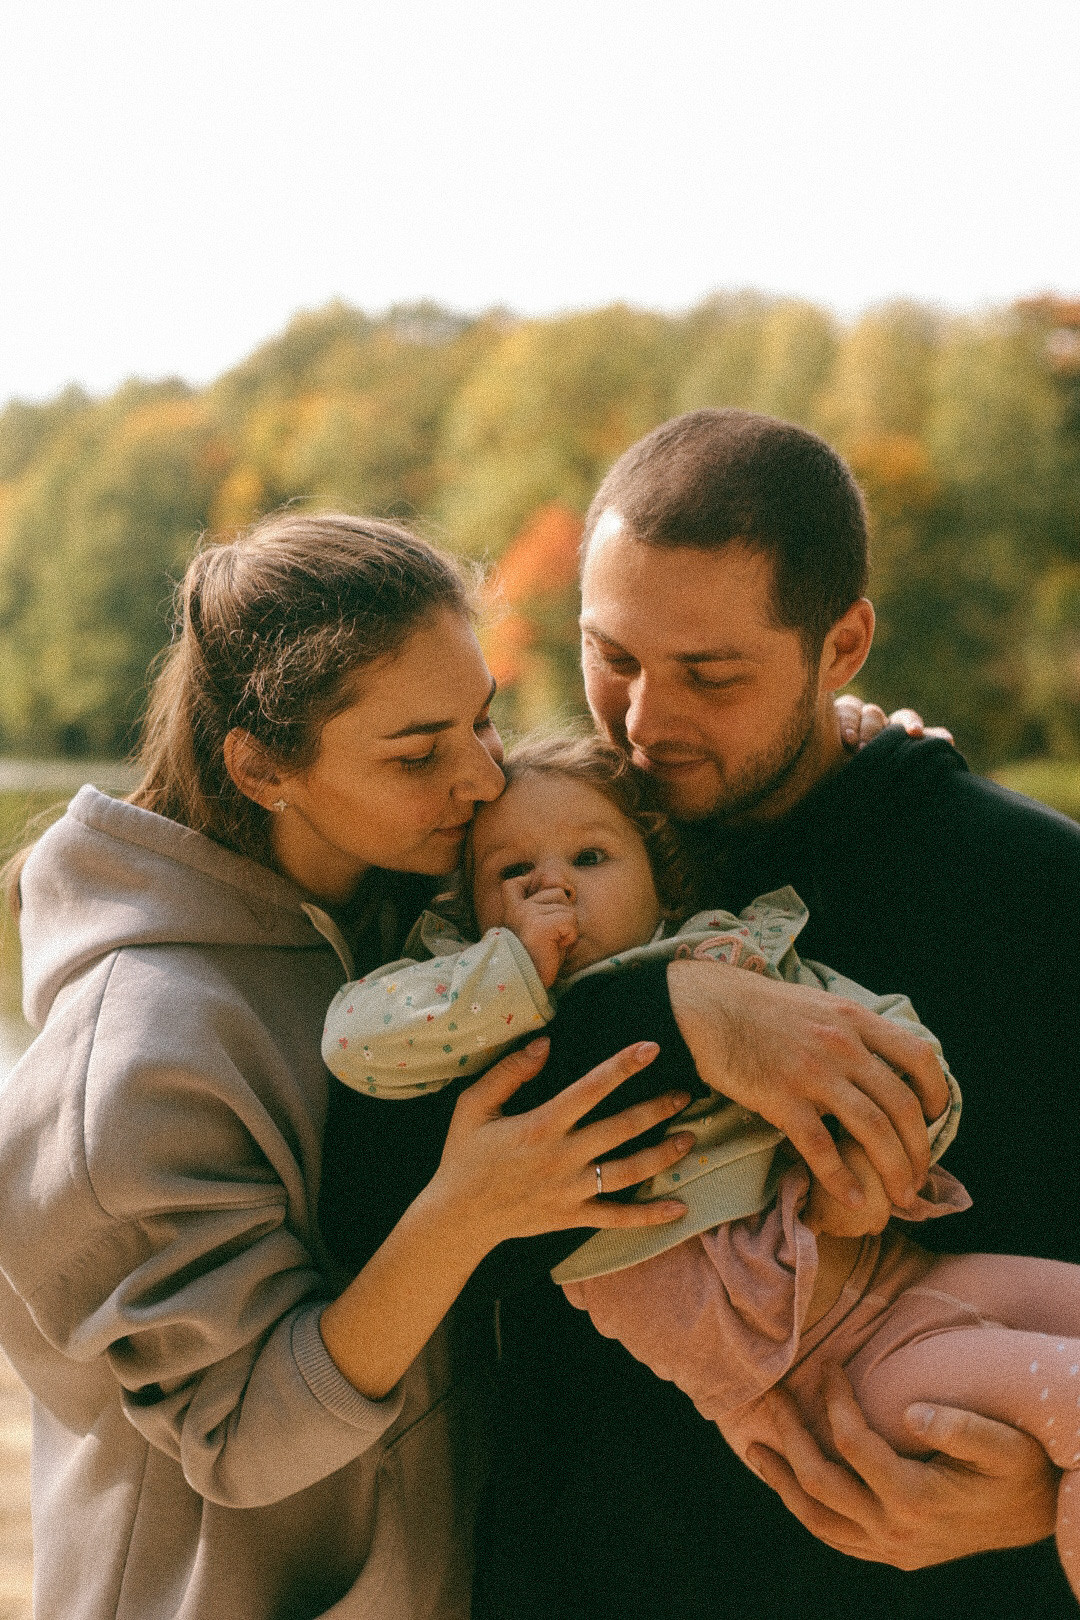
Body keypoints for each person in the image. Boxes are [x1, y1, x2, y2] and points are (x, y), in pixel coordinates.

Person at [0, 510, 941, 1620]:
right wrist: (465, 1210)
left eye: (482, 721)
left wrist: (855, 755)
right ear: (262, 768)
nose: (481, 778)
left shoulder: (399, 889)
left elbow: (606, 838)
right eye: (418, 753)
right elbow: (242, 1436)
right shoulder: (134, 1063)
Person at [473, 409, 1080, 1619]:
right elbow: (380, 1187)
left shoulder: (1033, 893)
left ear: (843, 643)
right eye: (613, 656)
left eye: (711, 673)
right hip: (592, 1576)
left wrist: (1029, 1498)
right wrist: (671, 1004)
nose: (644, 721)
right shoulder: (527, 857)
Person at [325, 734, 1080, 1602]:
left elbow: (884, 1039)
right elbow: (353, 1044)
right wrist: (507, 970)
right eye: (512, 871)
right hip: (830, 1380)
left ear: (663, 879)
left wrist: (903, 1130)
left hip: (919, 1277)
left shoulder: (736, 957)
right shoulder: (499, 1040)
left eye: (592, 855)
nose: (552, 883)